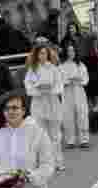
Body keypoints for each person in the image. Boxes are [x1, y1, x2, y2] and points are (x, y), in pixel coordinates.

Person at [24, 44, 65, 172]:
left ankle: (58, 161)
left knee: (55, 135)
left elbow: (60, 84)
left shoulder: (54, 69)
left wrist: (51, 90)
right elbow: (28, 86)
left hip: (52, 102)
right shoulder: (32, 70)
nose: (42, 56)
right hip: (38, 103)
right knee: (41, 134)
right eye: (40, 53)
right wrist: (38, 90)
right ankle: (45, 163)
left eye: (44, 53)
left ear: (48, 54)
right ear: (36, 55)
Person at [59, 43, 90, 149]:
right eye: (68, 51)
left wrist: (78, 80)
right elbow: (59, 80)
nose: (70, 53)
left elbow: (85, 79)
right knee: (68, 116)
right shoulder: (61, 66)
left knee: (82, 115)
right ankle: (70, 140)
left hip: (79, 91)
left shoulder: (80, 65)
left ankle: (84, 139)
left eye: (72, 51)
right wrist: (68, 81)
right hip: (67, 92)